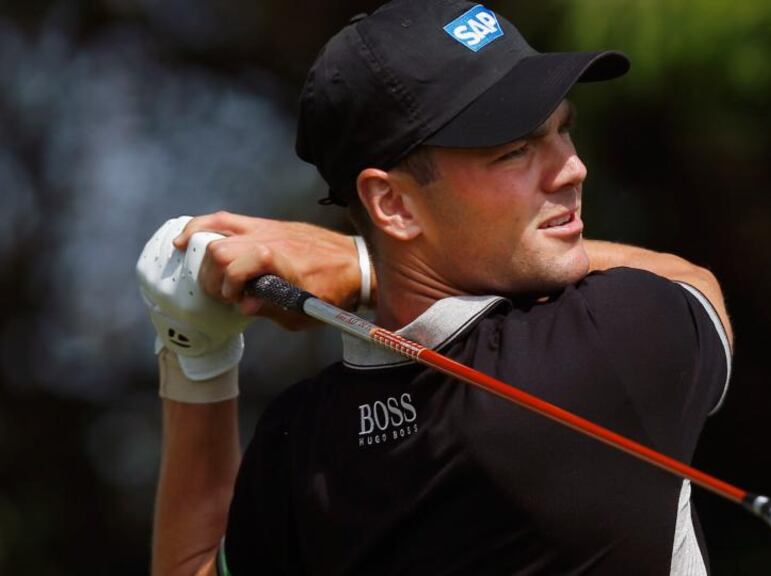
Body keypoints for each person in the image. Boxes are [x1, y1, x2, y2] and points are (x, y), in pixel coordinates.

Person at [141, 1, 734, 574]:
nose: (572, 168)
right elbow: (690, 278)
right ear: (393, 205)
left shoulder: (302, 447)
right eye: (516, 151)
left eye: (563, 130)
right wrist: (356, 268)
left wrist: (196, 353)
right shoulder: (612, 341)